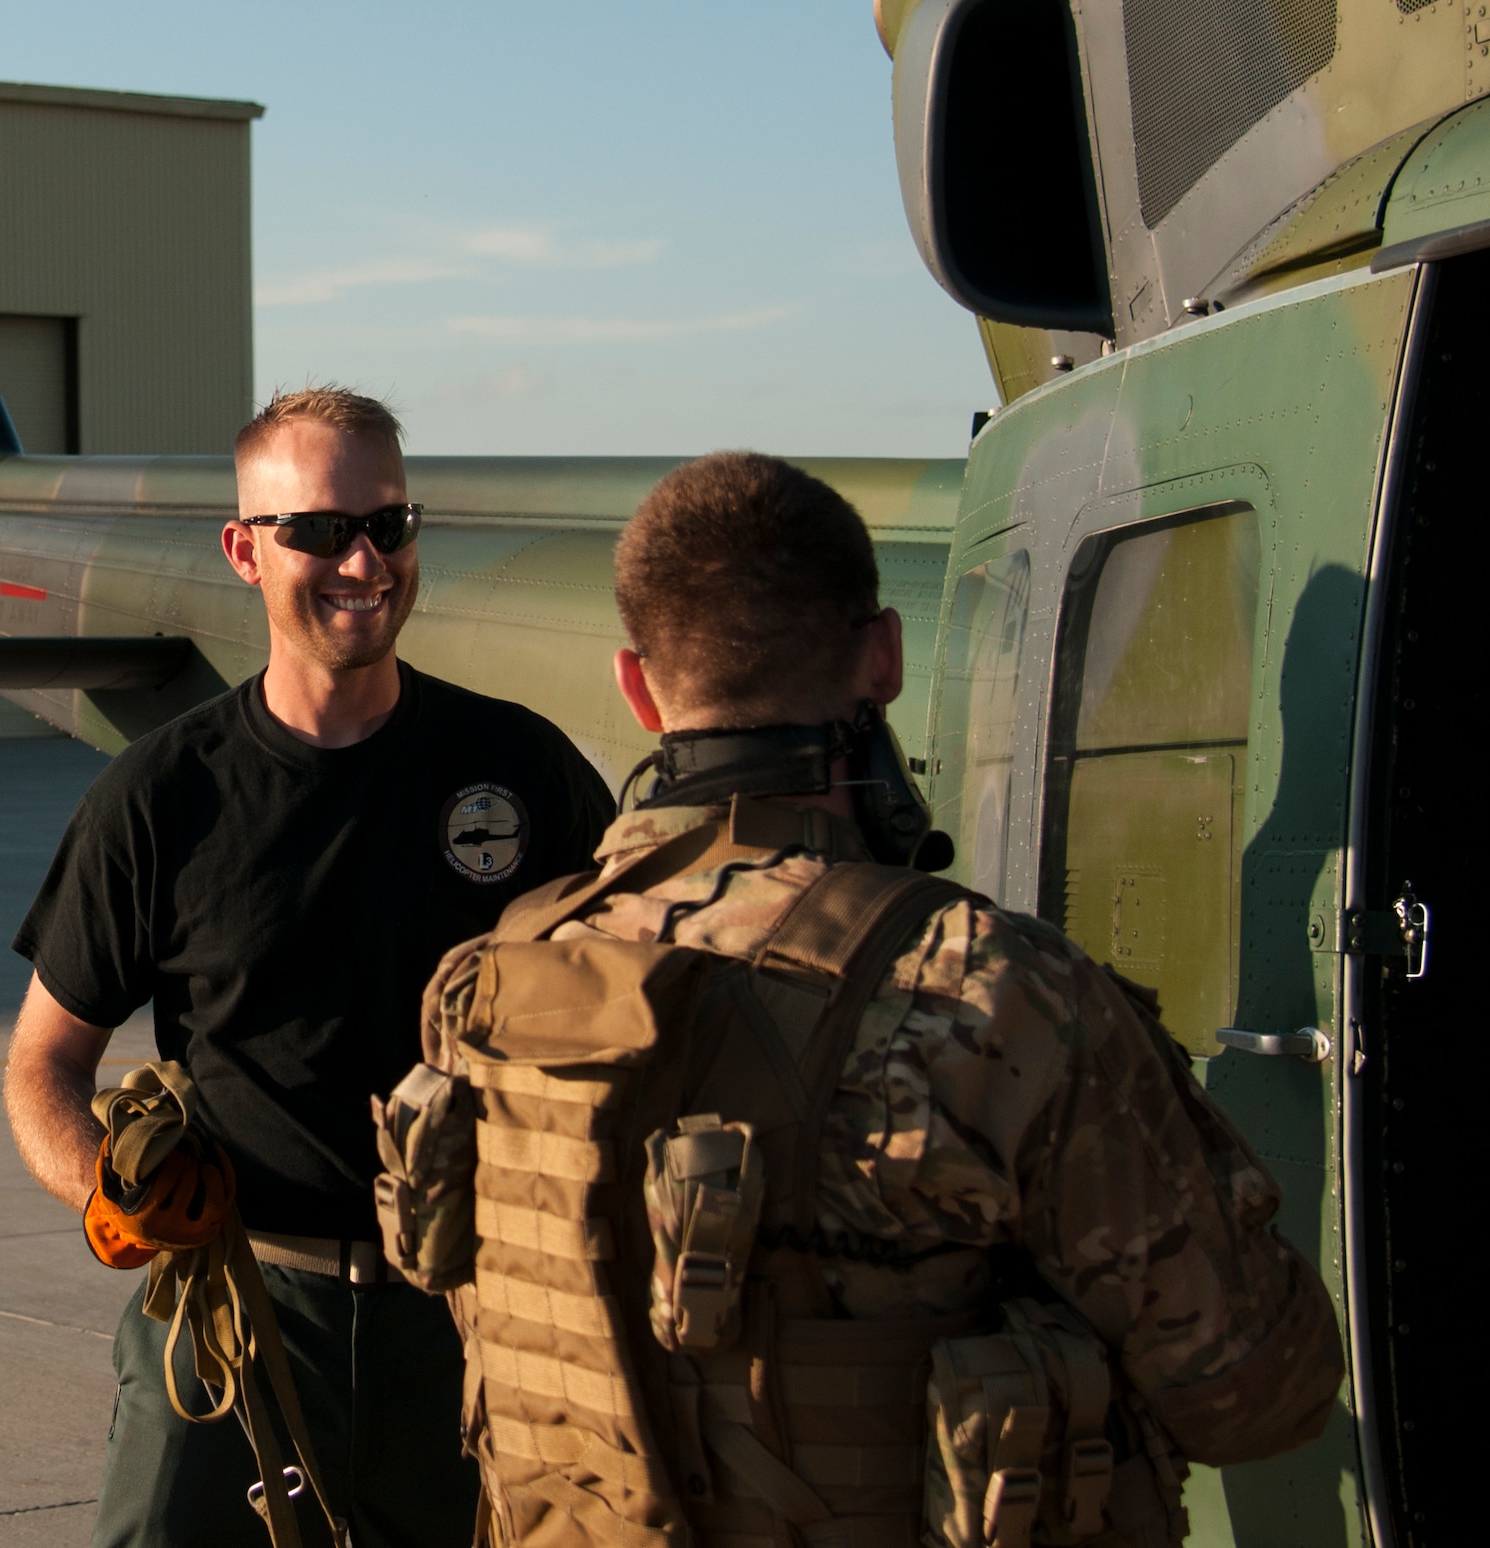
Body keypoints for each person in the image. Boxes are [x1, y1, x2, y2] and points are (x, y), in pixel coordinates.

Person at [392, 452, 1342, 1547]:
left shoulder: (488, 989)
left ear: (636, 687)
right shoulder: (987, 990)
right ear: (882, 657)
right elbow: (1251, 1390)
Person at [4, 387, 615, 1548]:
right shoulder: (161, 797)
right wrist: (107, 1188)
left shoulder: (518, 770)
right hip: (241, 1312)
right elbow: (42, 1063)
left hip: (473, 1322)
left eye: (388, 524)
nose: (363, 561)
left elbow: (625, 1012)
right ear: (244, 550)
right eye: (320, 530)